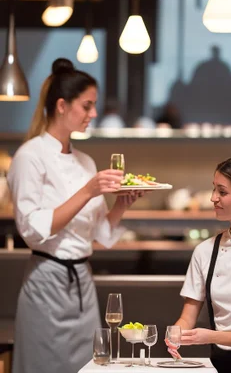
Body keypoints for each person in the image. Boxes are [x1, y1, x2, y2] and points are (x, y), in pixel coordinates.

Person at [7, 58, 142, 373]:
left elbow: (100, 233)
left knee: (89, 367)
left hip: (83, 282)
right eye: (87, 106)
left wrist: (122, 203)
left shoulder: (85, 161)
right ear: (62, 106)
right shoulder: (30, 156)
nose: (93, 114)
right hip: (47, 282)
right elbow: (32, 230)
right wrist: (88, 191)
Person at [165, 157, 231, 373]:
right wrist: (176, 335)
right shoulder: (205, 251)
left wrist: (211, 336)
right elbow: (188, 315)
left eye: (222, 192)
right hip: (222, 365)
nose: (213, 198)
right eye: (213, 189)